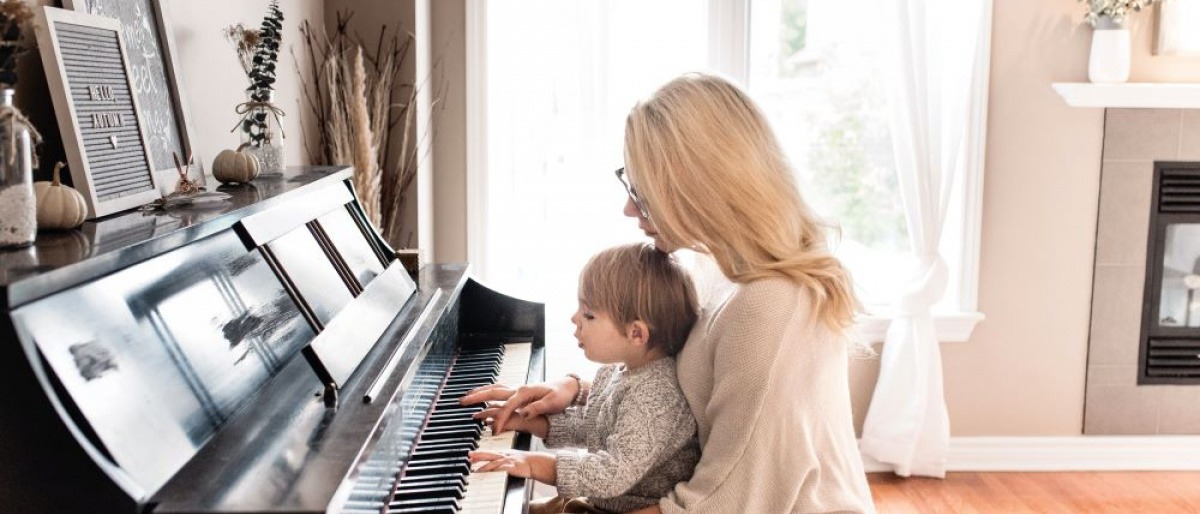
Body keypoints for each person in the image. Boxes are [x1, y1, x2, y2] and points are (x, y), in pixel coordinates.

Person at [462, 72, 876, 513]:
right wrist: (577, 390)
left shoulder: (769, 307)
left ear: (700, 186)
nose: (628, 207)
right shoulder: (718, 267)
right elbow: (680, 392)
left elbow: (719, 504)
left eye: (641, 191)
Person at [467, 243, 701, 514]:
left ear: (636, 334)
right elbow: (594, 426)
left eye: (588, 314)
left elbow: (612, 474)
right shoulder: (623, 371)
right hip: (599, 504)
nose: (574, 318)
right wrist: (528, 421)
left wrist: (533, 465)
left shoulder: (657, 395)